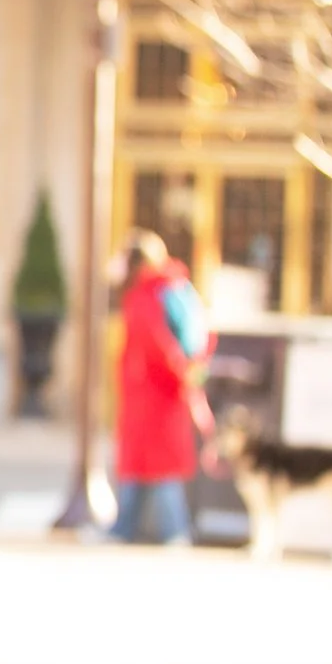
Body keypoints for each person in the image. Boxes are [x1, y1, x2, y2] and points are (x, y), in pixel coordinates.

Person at [113, 229, 202, 545]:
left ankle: (173, 530)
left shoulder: (146, 295)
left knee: (158, 467)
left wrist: (178, 373)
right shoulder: (169, 287)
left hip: (152, 393)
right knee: (149, 465)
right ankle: (128, 526)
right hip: (161, 393)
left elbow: (156, 342)